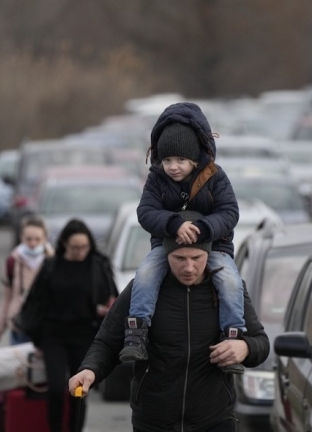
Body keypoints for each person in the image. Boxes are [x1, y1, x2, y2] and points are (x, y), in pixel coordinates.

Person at [69, 211, 270, 432]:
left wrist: (245, 347)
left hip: (214, 419)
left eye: (196, 258)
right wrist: (90, 370)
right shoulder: (142, 291)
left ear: (209, 255)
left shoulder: (229, 292)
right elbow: (107, 341)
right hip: (154, 420)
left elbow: (260, 342)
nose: (189, 268)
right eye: (179, 259)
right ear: (165, 255)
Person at [119, 102, 245, 375]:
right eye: (166, 161)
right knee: (145, 274)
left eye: (180, 160)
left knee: (231, 282)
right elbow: (145, 212)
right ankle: (136, 333)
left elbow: (230, 212)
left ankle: (233, 336)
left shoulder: (216, 177)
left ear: (194, 159)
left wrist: (202, 228)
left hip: (215, 246)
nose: (173, 167)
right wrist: (174, 224)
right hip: (166, 247)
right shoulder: (156, 180)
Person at [18, 219, 116, 432]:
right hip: (53, 335)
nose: (80, 252)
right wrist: (35, 338)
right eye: (75, 248)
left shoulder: (97, 264)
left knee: (79, 390)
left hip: (84, 336)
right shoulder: (51, 265)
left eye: (84, 247)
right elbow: (36, 302)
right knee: (54, 389)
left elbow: (112, 298)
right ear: (64, 244)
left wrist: (104, 308)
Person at [0, 215, 53, 346]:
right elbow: (7, 298)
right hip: (19, 326)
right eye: (29, 239)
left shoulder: (53, 261)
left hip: (45, 327)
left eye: (37, 239)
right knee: (17, 365)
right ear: (21, 238)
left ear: (45, 238)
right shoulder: (13, 261)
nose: (33, 244)